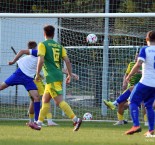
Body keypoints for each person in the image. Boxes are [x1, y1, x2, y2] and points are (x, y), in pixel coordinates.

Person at [28, 25, 82, 131]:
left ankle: (76, 119)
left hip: (51, 77)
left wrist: (37, 73)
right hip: (56, 76)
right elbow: (67, 61)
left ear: (44, 34)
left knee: (59, 101)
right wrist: (70, 74)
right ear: (53, 34)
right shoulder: (59, 46)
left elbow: (41, 60)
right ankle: (38, 123)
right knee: (45, 100)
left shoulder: (42, 44)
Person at [0, 41, 40, 121]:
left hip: (28, 78)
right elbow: (22, 51)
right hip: (19, 74)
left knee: (36, 97)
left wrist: (68, 73)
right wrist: (13, 62)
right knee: (1, 87)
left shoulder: (47, 57)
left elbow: (56, 67)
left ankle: (35, 121)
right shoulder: (38, 52)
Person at [125, 30, 155, 136]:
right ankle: (151, 130)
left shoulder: (145, 49)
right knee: (149, 106)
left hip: (145, 82)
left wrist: (129, 76)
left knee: (132, 102)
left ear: (147, 39)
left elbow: (138, 64)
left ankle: (136, 125)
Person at [103, 50, 142, 125]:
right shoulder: (131, 64)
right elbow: (126, 74)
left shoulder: (145, 65)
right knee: (121, 103)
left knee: (145, 104)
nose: (136, 57)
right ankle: (120, 121)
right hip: (132, 88)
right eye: (136, 56)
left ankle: (114, 104)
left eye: (138, 56)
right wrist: (125, 81)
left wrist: (139, 71)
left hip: (142, 88)